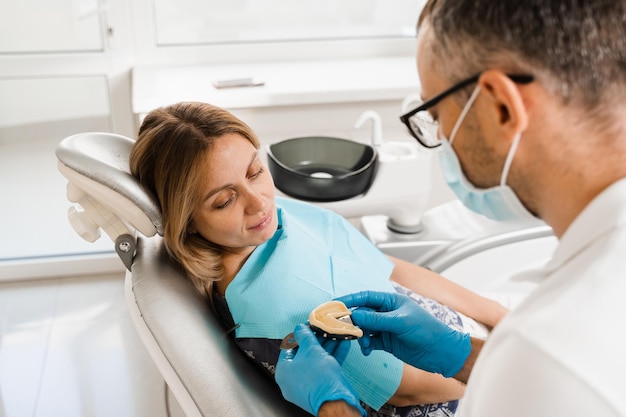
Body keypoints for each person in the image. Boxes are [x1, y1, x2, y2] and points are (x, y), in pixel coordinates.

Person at [275, 0, 626, 416]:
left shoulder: (542, 353)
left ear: (502, 107)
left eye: (436, 113)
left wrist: (333, 406)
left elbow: (554, 374)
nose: (439, 134)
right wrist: (466, 355)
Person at [129, 101, 511, 417]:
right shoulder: (270, 308)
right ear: (188, 222)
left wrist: (497, 317)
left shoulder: (275, 222)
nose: (259, 201)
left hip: (468, 348)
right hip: (460, 393)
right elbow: (409, 391)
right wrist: (504, 367)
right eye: (224, 200)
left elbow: (388, 267)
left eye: (255, 171)